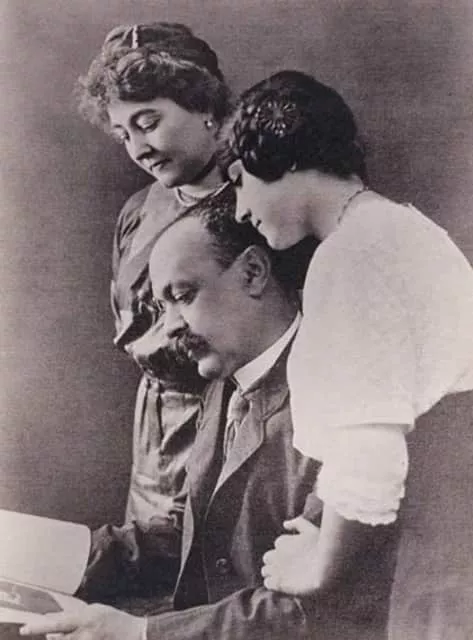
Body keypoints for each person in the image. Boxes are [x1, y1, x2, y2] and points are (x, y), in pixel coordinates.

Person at [20, 187, 397, 640]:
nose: (169, 327)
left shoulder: (347, 400)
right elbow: (187, 539)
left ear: (253, 273)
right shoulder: (224, 385)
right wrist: (29, 550)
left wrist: (140, 633)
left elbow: (316, 609)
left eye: (183, 295)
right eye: (161, 307)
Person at [219, 69, 473, 637]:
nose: (239, 211)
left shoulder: (352, 254)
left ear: (281, 156)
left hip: (441, 560)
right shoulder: (403, 229)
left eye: (239, 182)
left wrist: (318, 568)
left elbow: (369, 446)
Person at [74, 22, 232, 602]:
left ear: (205, 105)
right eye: (123, 134)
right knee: (136, 588)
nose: (138, 148)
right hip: (154, 435)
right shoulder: (139, 210)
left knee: (206, 591)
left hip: (229, 426)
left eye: (148, 122)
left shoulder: (260, 208)